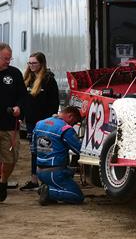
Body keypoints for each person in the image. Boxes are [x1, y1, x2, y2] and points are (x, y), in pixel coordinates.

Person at [20, 52, 59, 191]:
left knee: (45, 150)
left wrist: (49, 120)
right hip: (31, 122)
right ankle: (34, 179)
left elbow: (54, 102)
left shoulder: (48, 80)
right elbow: (23, 101)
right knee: (34, 151)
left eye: (34, 63)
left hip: (44, 123)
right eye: (29, 63)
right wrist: (21, 118)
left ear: (41, 64)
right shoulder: (27, 79)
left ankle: (46, 181)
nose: (31, 66)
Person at [31, 106, 84, 205]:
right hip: (55, 173)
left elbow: (33, 149)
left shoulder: (40, 123)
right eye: (74, 122)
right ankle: (48, 191)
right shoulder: (65, 129)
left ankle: (47, 189)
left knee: (69, 172)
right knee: (77, 196)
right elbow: (79, 150)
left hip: (39, 171)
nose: (73, 125)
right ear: (70, 116)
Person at [0, 42, 27, 201]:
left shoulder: (15, 74)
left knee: (11, 158)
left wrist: (19, 107)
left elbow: (23, 95)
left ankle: (3, 181)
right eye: (5, 58)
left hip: (10, 125)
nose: (8, 61)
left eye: (9, 58)